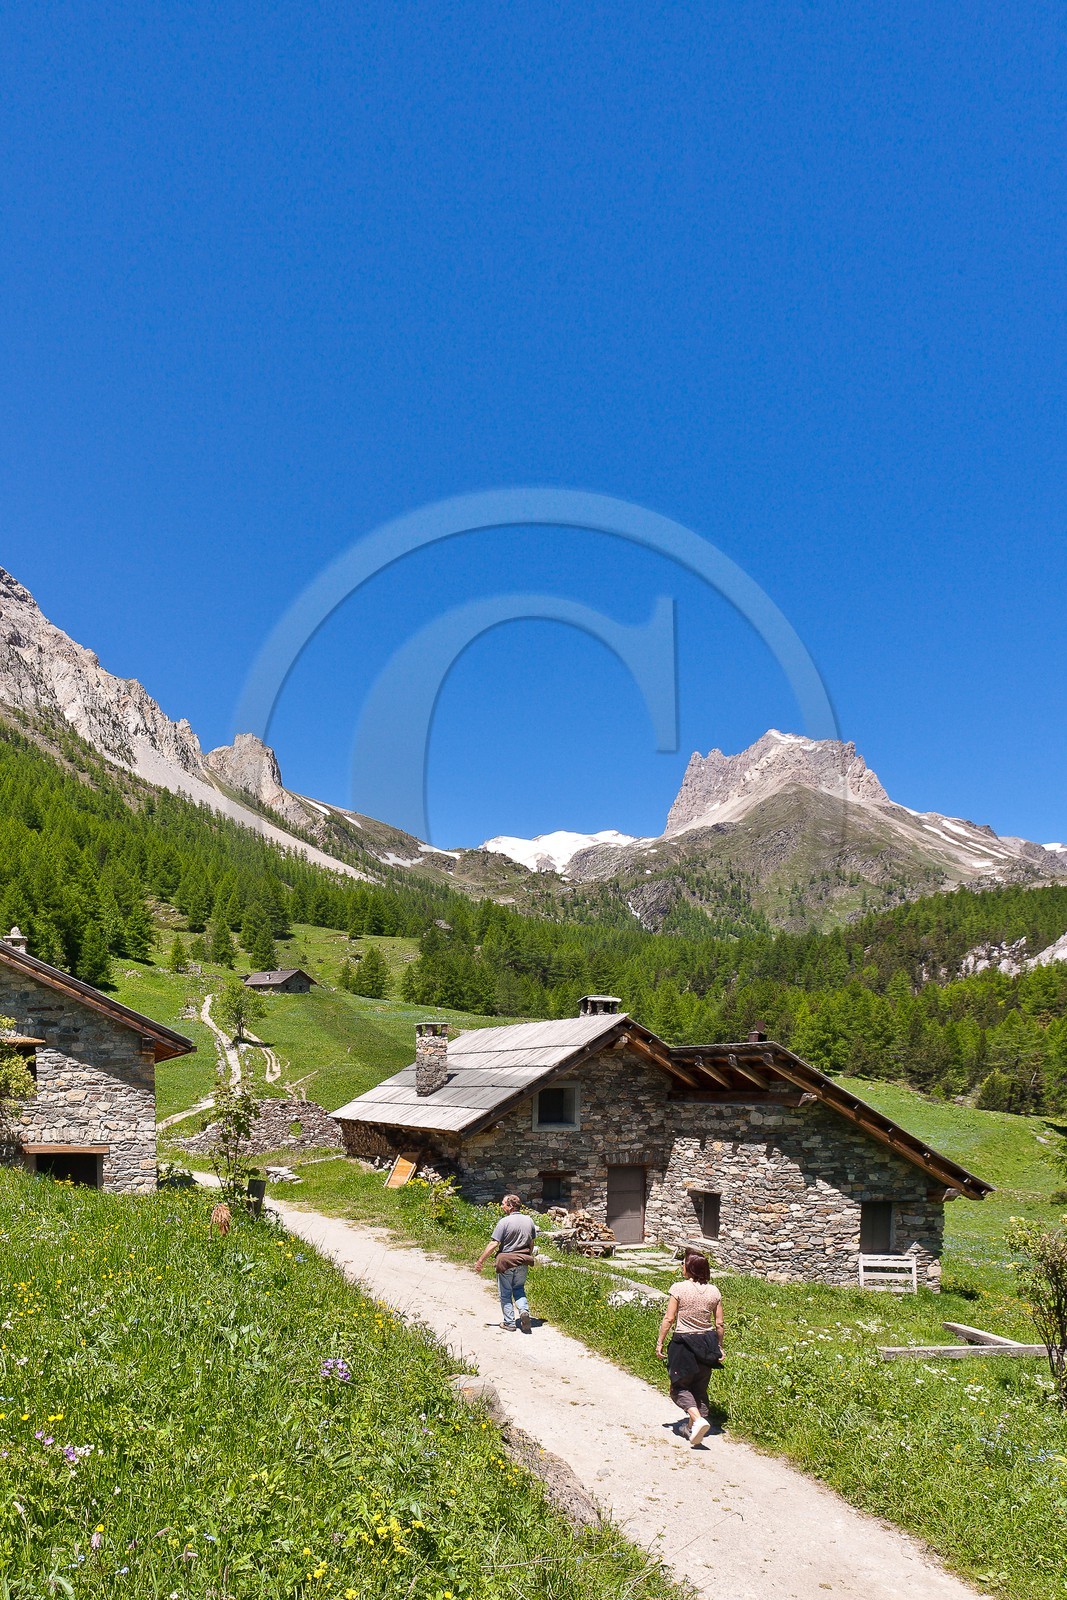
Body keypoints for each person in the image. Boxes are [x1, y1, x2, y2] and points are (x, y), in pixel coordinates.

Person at [655, 1249, 724, 1447]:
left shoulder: (679, 1288)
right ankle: (693, 1429)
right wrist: (719, 1347)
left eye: (684, 1264)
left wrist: (660, 1342)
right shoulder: (714, 1291)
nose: (682, 1267)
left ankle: (698, 1419)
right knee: (699, 1388)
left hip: (684, 1342)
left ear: (690, 1268)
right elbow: (719, 1324)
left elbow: (669, 1318)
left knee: (679, 1386)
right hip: (707, 1342)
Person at [475, 1193, 537, 1332]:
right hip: (523, 1261)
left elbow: (494, 1243)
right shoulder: (529, 1220)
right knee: (519, 1289)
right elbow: (531, 1243)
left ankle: (509, 1323)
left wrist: (480, 1260)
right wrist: (527, 1255)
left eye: (503, 1203)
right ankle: (523, 1311)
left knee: (506, 1293)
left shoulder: (504, 1222)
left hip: (506, 1262)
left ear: (510, 1206)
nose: (502, 1206)